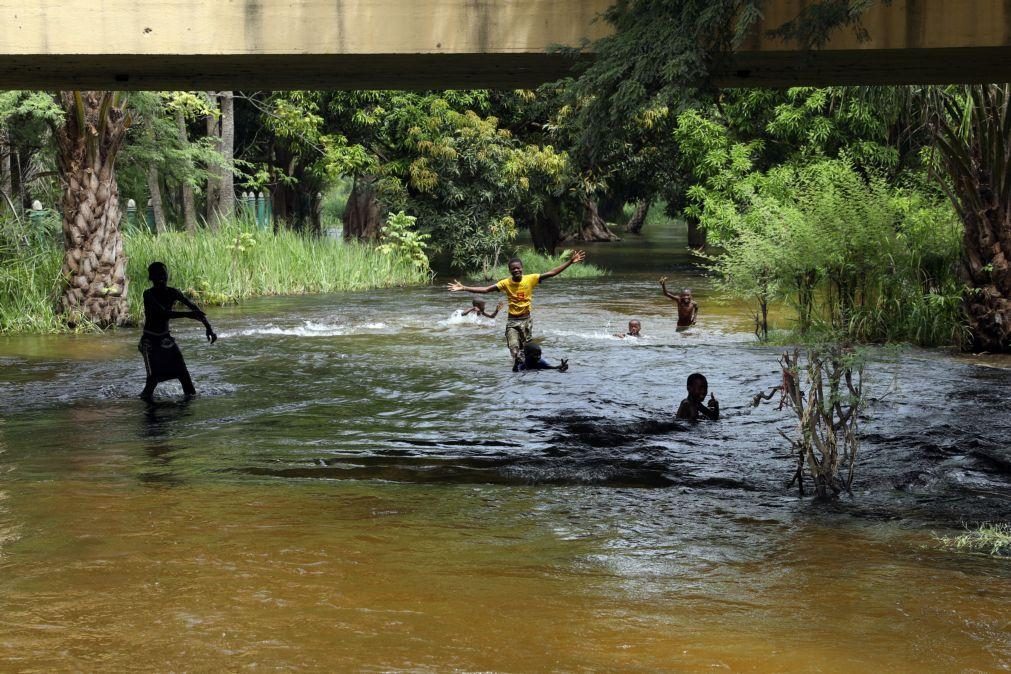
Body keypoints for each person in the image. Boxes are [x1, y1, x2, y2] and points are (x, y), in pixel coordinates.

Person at [448, 250, 586, 361]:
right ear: (510, 271)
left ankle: (524, 373)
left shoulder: (531, 279)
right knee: (514, 349)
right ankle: (516, 367)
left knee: (527, 350)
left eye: (518, 268)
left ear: (522, 269)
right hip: (512, 322)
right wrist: (464, 287)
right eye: (513, 269)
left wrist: (570, 262)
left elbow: (552, 273)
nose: (516, 271)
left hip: (527, 321)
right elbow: (486, 289)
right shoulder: (505, 283)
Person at [139, 261, 217, 401]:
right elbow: (163, 313)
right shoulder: (148, 295)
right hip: (149, 342)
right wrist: (187, 315)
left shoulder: (173, 292)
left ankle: (188, 409)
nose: (162, 277)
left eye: (164, 273)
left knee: (183, 374)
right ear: (151, 278)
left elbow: (194, 308)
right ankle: (148, 412)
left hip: (165, 339)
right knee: (153, 379)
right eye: (158, 275)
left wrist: (209, 328)